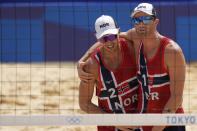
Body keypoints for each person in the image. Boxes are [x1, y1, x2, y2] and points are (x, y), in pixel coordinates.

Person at [78, 3, 186, 131]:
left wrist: (157, 127)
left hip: (168, 123)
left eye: (145, 19)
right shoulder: (134, 39)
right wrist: (83, 59)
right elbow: (84, 103)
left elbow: (177, 97)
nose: (141, 23)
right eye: (137, 20)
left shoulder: (170, 51)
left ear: (156, 21)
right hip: (141, 124)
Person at [78, 15, 139, 131]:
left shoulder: (132, 47)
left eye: (112, 36)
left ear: (119, 32)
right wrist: (113, 121)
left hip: (140, 121)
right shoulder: (92, 65)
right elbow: (84, 103)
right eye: (103, 39)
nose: (109, 42)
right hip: (110, 127)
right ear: (97, 38)